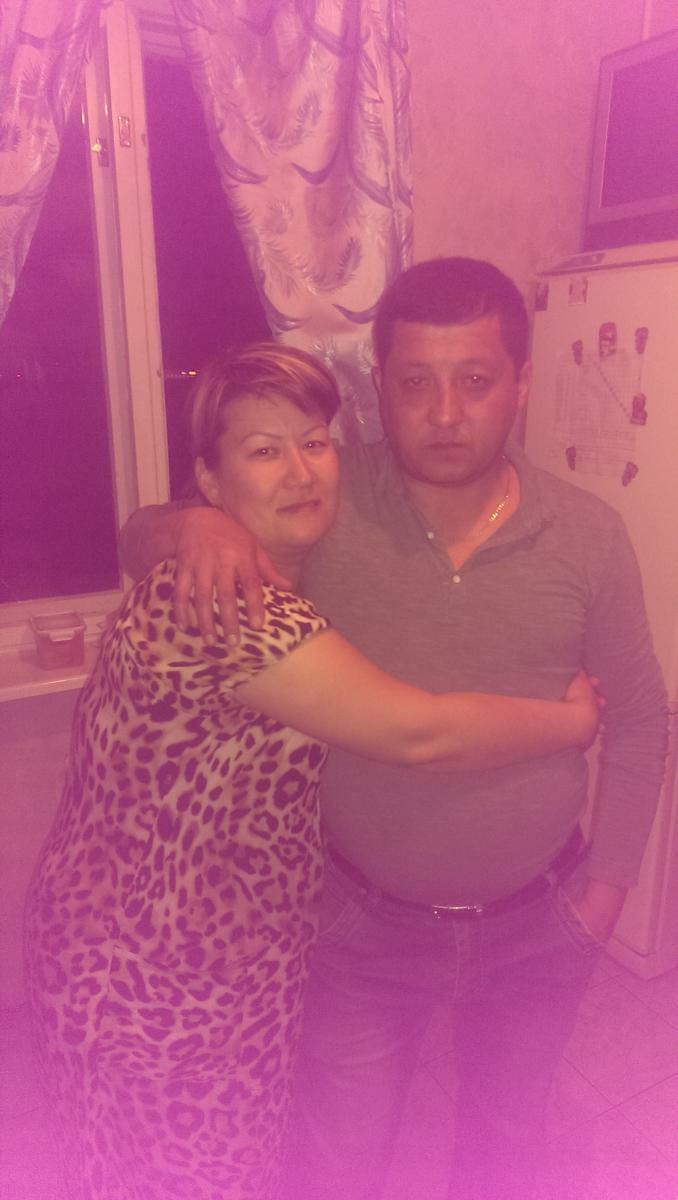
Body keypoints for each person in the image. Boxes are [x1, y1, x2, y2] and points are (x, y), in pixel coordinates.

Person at [118, 261, 668, 1200]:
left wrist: (609, 890)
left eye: (475, 380)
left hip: (542, 919)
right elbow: (138, 538)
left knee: (504, 1144)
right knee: (340, 1161)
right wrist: (193, 525)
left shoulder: (590, 534)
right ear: (381, 387)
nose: (445, 413)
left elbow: (647, 719)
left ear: (522, 385)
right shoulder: (328, 503)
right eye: (416, 382)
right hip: (361, 926)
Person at [24, 342, 602, 1200]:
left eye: (314, 442)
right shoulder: (228, 609)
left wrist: (184, 524)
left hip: (182, 953)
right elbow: (416, 732)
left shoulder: (264, 568)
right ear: (211, 481)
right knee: (194, 1177)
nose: (300, 472)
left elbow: (140, 532)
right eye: (264, 451)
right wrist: (572, 723)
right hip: (160, 973)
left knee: (155, 1165)